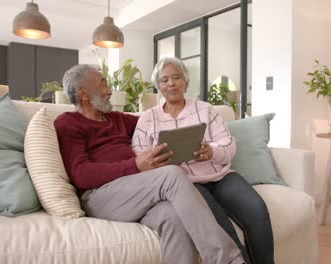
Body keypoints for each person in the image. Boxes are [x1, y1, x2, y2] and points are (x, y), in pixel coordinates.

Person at [54, 64, 247, 264]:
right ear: (83, 93)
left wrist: (185, 121)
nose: (110, 91)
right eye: (103, 84)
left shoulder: (116, 119)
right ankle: (228, 260)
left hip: (136, 192)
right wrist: (136, 165)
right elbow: (81, 174)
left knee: (172, 216)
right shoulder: (67, 123)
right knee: (171, 174)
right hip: (100, 196)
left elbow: (155, 120)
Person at [132, 57, 274, 264]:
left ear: (185, 81)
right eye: (164, 80)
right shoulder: (147, 118)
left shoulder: (205, 109)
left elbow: (228, 143)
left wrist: (212, 151)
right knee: (220, 225)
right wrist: (158, 161)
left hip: (220, 177)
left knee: (257, 209)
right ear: (158, 86)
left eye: (176, 77)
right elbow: (139, 154)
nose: (171, 83)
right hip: (186, 186)